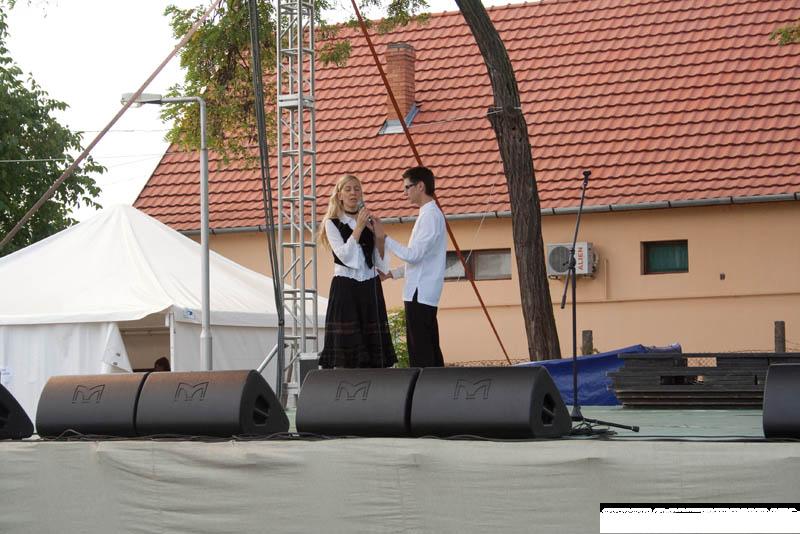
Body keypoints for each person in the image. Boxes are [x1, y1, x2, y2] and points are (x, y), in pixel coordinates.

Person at [318, 174, 396, 369]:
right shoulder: (332, 223)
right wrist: (359, 227)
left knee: (373, 346)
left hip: (370, 285)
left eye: (357, 189)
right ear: (339, 195)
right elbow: (344, 256)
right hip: (346, 285)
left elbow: (380, 264)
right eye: (348, 189)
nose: (353, 193)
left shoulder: (369, 222)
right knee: (348, 346)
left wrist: (379, 238)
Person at [373, 166, 446, 368]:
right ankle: (435, 386)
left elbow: (414, 255)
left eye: (407, 187)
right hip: (420, 291)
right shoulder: (428, 215)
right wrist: (392, 274)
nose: (404, 192)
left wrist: (384, 237)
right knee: (428, 348)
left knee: (421, 352)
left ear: (420, 186)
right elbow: (422, 261)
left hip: (420, 293)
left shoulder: (430, 216)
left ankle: (425, 387)